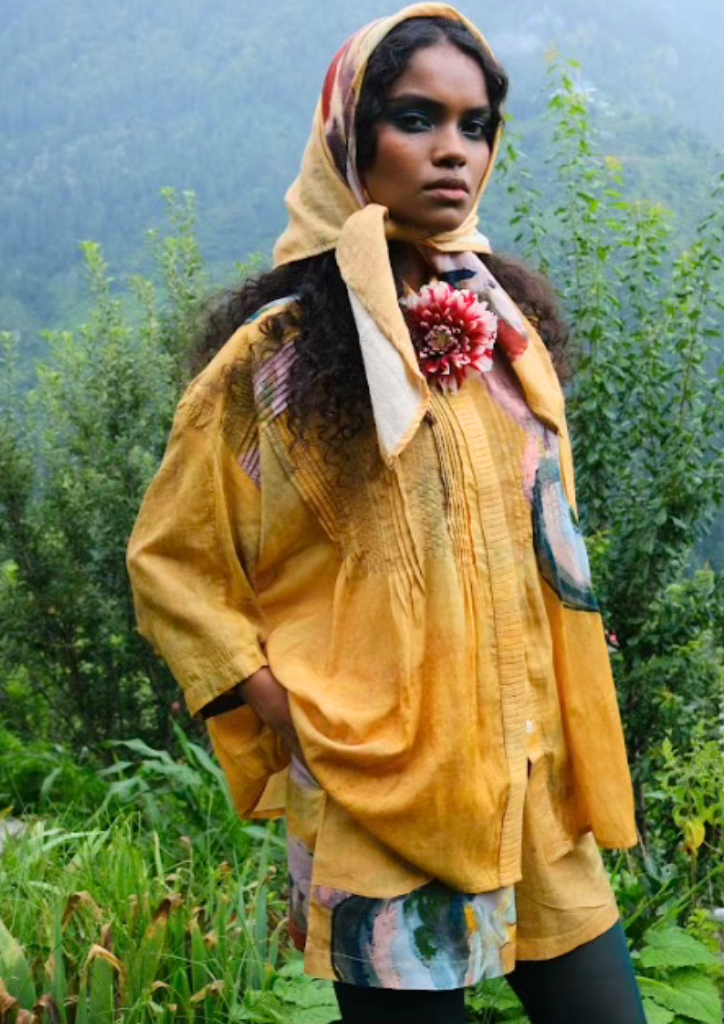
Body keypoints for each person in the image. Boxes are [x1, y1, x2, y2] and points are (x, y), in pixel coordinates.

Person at [127, 5, 648, 1022]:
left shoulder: (504, 333)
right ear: (349, 136)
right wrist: (294, 710)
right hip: (382, 795)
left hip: (531, 777)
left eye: (475, 125)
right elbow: (173, 561)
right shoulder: (278, 358)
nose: (454, 149)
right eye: (417, 118)